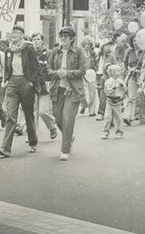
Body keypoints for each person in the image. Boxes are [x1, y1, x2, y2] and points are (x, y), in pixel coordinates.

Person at [0, 24, 40, 158]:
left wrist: (31, 81)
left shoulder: (29, 48)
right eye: (11, 33)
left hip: (26, 83)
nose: (13, 35)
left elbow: (36, 67)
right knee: (11, 115)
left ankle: (33, 141)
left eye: (16, 33)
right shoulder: (9, 50)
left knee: (28, 114)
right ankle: (5, 148)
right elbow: (7, 68)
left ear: (22, 35)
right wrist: (6, 80)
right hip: (13, 84)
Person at [47, 26, 86, 161]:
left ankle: (65, 150)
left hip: (73, 90)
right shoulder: (55, 52)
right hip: (57, 89)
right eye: (61, 35)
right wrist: (56, 73)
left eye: (66, 36)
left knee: (68, 119)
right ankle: (69, 136)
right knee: (58, 119)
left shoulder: (79, 52)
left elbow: (82, 70)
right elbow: (48, 69)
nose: (63, 38)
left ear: (72, 38)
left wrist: (67, 73)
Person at [31, 32, 57, 139]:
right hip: (32, 86)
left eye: (38, 39)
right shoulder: (30, 53)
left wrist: (51, 80)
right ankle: (33, 135)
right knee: (33, 112)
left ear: (42, 41)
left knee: (43, 111)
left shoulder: (49, 53)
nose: (36, 41)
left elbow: (52, 68)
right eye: (34, 39)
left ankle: (52, 127)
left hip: (45, 86)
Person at [123, 33, 145, 126]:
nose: (135, 42)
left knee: (142, 97)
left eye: (137, 40)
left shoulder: (144, 51)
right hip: (132, 75)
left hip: (142, 76)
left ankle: (143, 118)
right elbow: (125, 62)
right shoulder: (129, 51)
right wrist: (128, 69)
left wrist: (141, 71)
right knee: (131, 97)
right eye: (134, 40)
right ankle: (128, 117)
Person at [91, 40, 116, 121]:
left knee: (103, 95)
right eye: (107, 45)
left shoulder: (112, 56)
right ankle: (105, 111)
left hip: (107, 76)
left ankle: (101, 113)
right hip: (98, 76)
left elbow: (115, 66)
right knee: (100, 95)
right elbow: (94, 63)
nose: (108, 47)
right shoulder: (98, 55)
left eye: (110, 45)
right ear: (103, 46)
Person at [101, 64, 126, 139]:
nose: (120, 72)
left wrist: (123, 87)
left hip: (118, 101)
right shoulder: (108, 81)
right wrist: (115, 87)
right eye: (118, 71)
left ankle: (119, 132)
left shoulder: (120, 81)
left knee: (118, 118)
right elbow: (107, 91)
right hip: (110, 101)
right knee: (107, 117)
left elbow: (125, 90)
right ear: (112, 72)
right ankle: (105, 132)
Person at [79, 36, 98, 117]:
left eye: (88, 44)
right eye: (85, 44)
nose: (87, 46)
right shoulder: (80, 53)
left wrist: (96, 70)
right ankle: (84, 105)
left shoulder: (93, 53)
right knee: (81, 91)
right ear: (83, 45)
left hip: (91, 73)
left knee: (92, 92)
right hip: (82, 73)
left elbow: (96, 63)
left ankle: (92, 111)